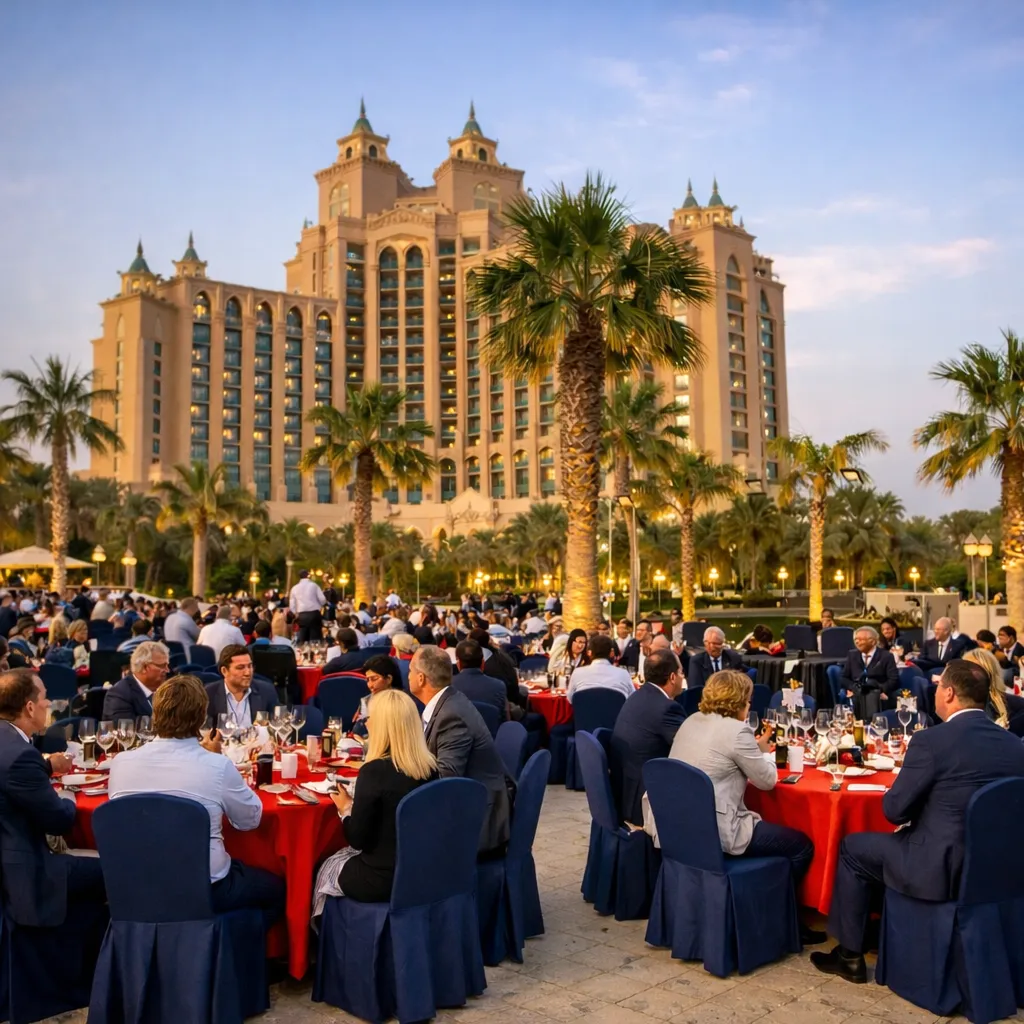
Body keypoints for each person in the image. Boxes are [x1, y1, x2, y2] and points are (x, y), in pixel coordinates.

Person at [812, 659, 1024, 983]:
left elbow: (894, 811)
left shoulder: (931, 741)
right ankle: (878, 929)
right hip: (998, 866)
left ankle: (849, 954)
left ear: (950, 693)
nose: (936, 692)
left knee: (853, 848)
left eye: (939, 687)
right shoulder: (1014, 745)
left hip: (940, 867)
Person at [108, 674, 285, 925]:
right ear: (202, 717)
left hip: (136, 883)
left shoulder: (120, 764)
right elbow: (249, 820)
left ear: (155, 714)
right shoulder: (216, 766)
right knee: (277, 891)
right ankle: (227, 952)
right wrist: (212, 760)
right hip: (204, 887)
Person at [666, 670, 821, 943]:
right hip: (716, 829)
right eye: (748, 701)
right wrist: (769, 755)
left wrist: (756, 747)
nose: (750, 705)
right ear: (739, 701)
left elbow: (719, 754)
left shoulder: (691, 721)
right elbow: (766, 781)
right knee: (801, 845)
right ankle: (783, 920)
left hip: (678, 826)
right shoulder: (737, 731)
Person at [313, 688, 438, 912]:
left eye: (370, 719)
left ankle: (324, 940)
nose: (367, 724)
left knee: (322, 866)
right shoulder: (430, 767)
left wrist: (345, 809)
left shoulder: (374, 771)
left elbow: (358, 840)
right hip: (422, 872)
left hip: (381, 879)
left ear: (382, 726)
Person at [0, 668, 107, 926]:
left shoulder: (12, 743)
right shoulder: (20, 755)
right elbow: (59, 820)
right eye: (44, 698)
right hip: (26, 870)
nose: (48, 703)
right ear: (29, 707)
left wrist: (47, 768)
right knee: (117, 867)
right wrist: (68, 796)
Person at [408, 644, 511, 855]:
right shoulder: (449, 701)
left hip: (477, 819)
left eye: (410, 670)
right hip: (471, 801)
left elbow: (447, 779)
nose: (407, 676)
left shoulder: (451, 715)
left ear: (421, 678)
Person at [610, 648, 685, 825]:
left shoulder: (637, 696)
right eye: (682, 672)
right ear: (673, 677)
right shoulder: (666, 708)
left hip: (624, 790)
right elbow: (690, 748)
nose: (684, 677)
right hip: (645, 799)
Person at [204, 644, 279, 727]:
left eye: (250, 666)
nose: (248, 673)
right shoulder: (208, 694)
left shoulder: (266, 690)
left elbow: (278, 724)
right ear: (224, 671)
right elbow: (205, 729)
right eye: (240, 668)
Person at [838, 626, 900, 719]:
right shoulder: (852, 655)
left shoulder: (886, 656)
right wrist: (853, 688)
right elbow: (843, 677)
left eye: (861, 639)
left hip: (878, 693)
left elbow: (893, 679)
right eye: (856, 639)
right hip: (857, 693)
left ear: (873, 641)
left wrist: (880, 690)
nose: (857, 642)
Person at [102, 641, 171, 721]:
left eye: (167, 665)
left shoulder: (169, 690)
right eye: (162, 666)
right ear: (144, 667)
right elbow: (126, 730)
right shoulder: (120, 694)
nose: (167, 670)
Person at [566, 634, 635, 703]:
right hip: (615, 713)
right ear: (611, 653)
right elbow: (632, 698)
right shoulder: (623, 674)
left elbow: (570, 699)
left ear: (589, 653)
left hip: (585, 712)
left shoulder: (577, 673)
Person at [451, 640, 508, 722]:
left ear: (458, 663)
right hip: (492, 734)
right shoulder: (499, 686)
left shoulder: (448, 686)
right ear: (482, 663)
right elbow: (505, 720)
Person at [289, 569, 327, 643]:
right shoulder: (314, 586)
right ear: (308, 575)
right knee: (316, 640)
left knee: (303, 640)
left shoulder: (294, 588)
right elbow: (322, 600)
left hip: (302, 616)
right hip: (314, 615)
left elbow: (292, 606)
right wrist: (320, 605)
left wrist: (296, 614)